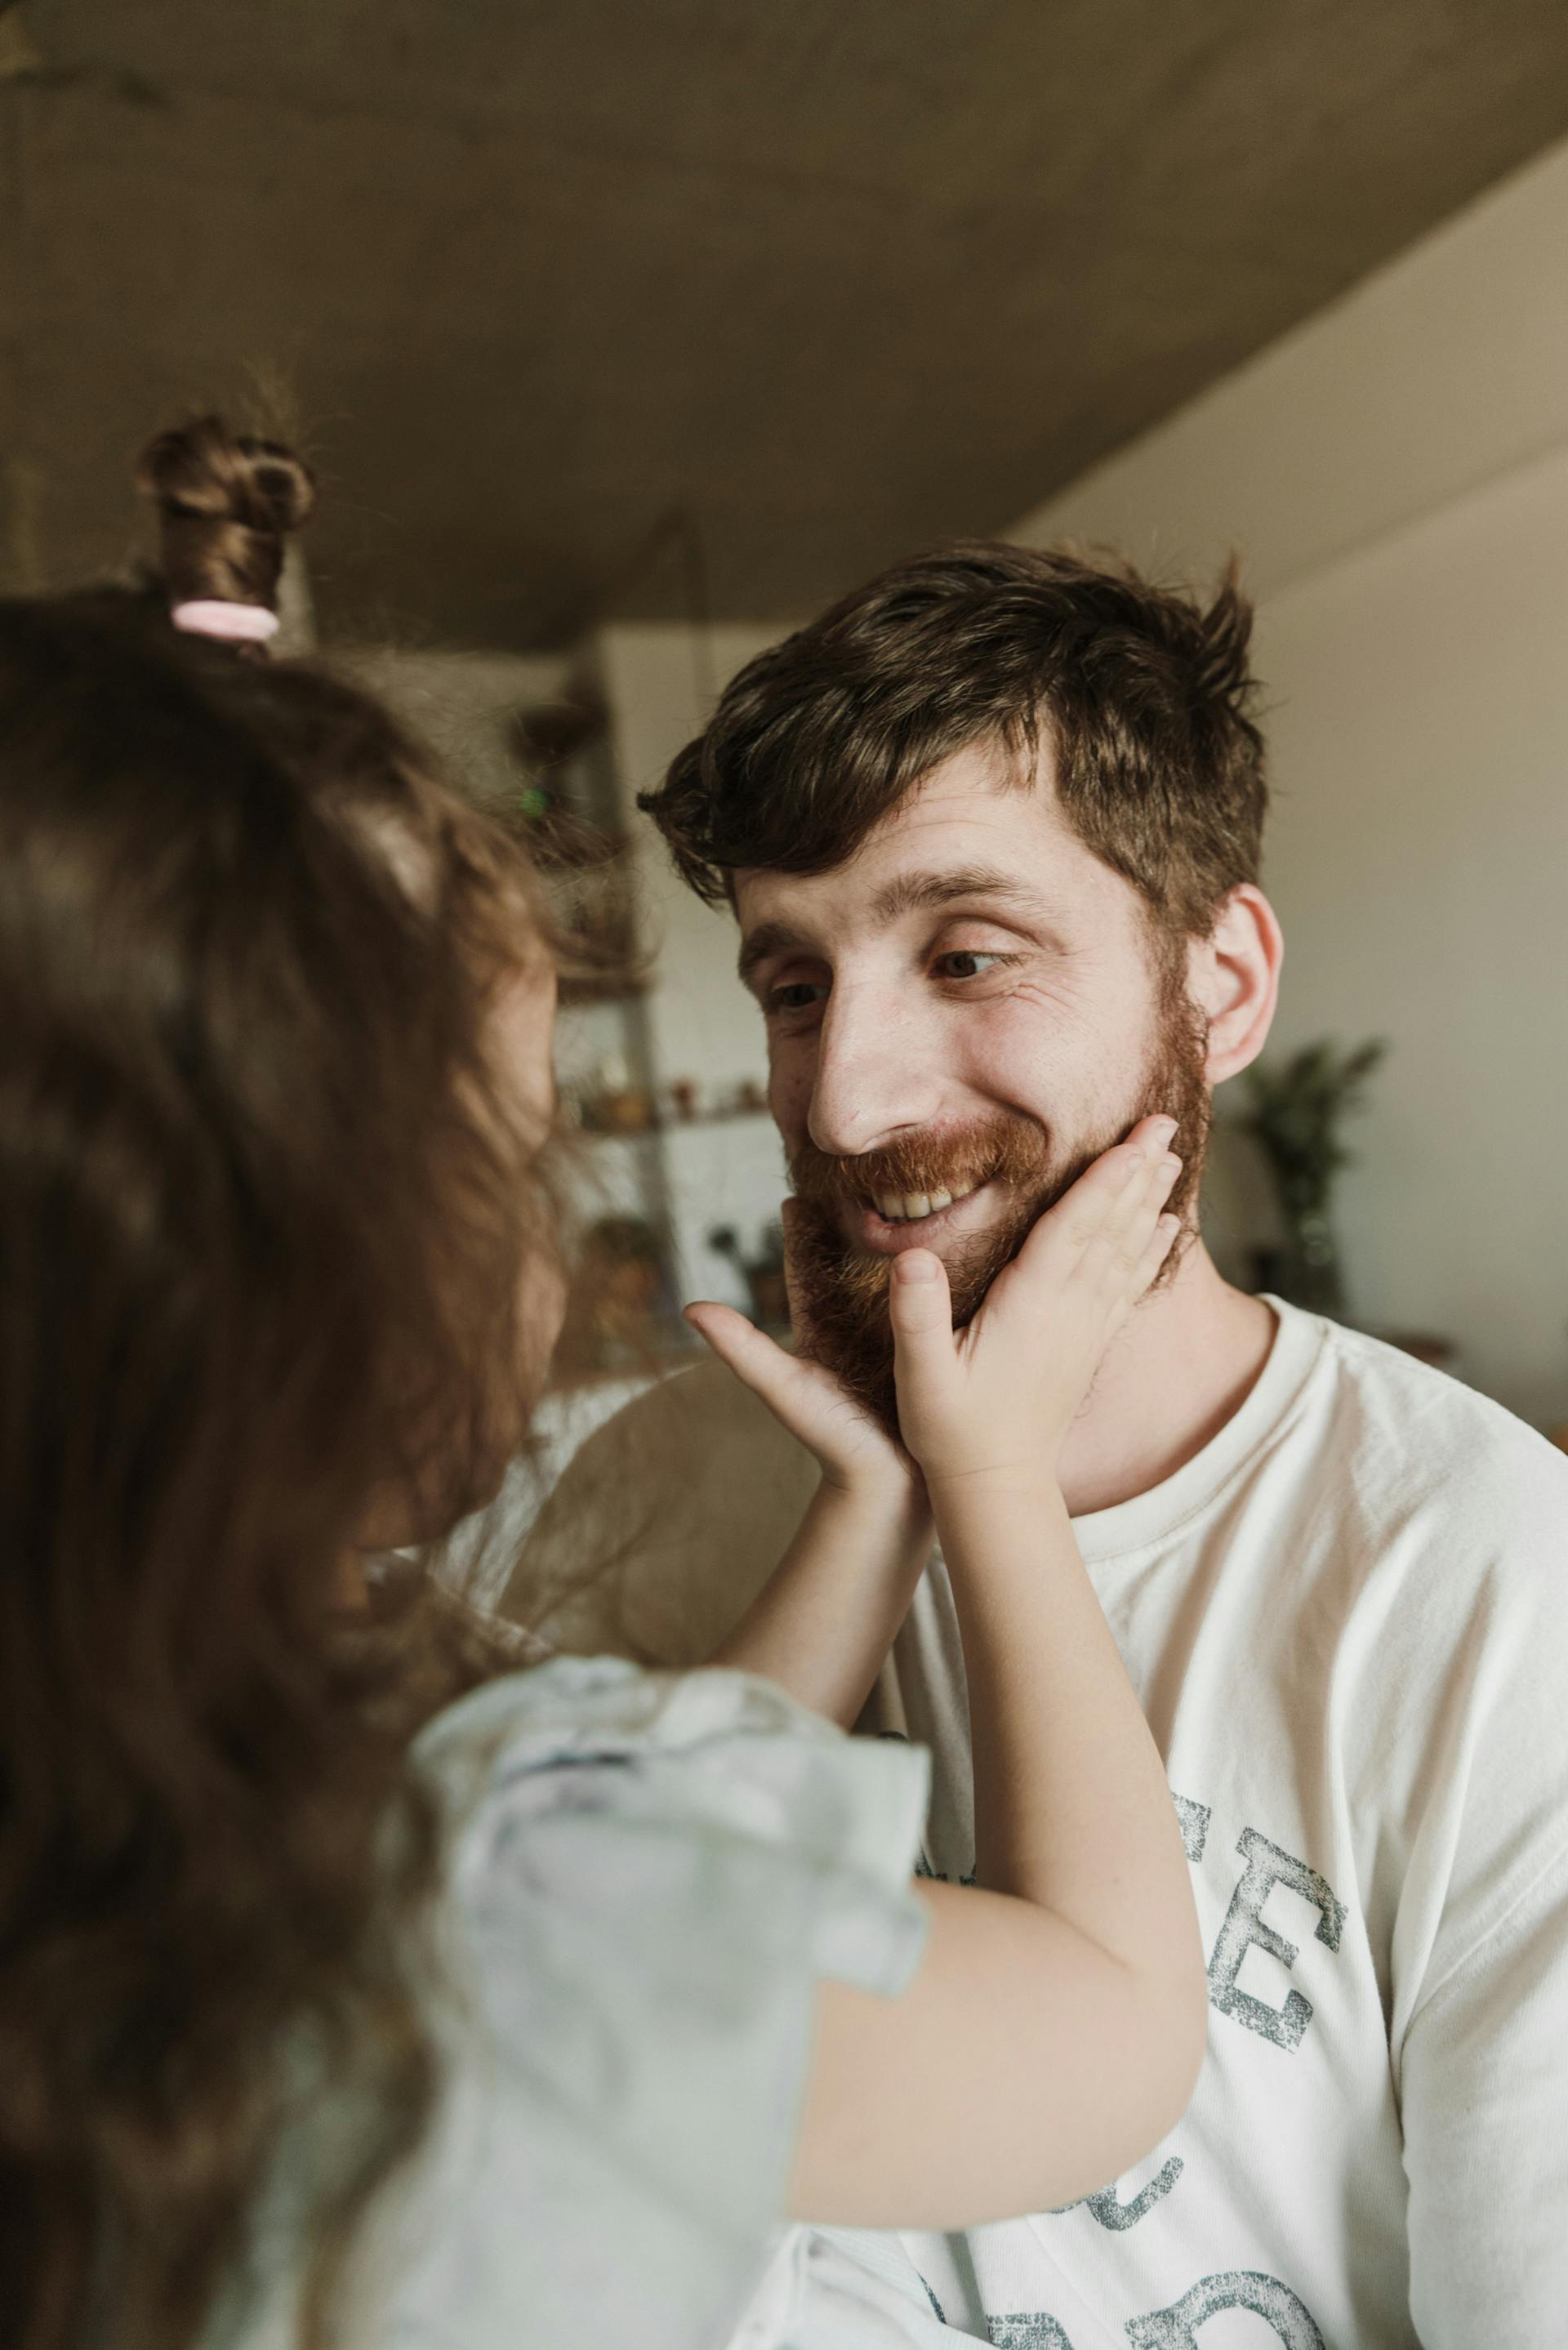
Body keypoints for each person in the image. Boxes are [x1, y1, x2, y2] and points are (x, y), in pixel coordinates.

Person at [0, 424, 1208, 2350]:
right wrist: (986, 1473)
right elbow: (1119, 2019)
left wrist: (877, 1513)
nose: (848, 1099)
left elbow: (645, 1826)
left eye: (966, 952)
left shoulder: (151, 1794)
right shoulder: (476, 1913)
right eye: (527, 1148)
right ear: (359, 1280)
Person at [501, 542, 1568, 2348]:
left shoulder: (1498, 1581)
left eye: (967, 951)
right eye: (791, 984)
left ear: (1220, 982)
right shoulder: (632, 1505)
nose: (847, 1098)